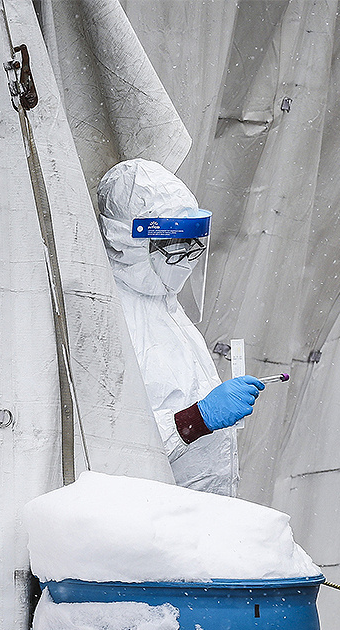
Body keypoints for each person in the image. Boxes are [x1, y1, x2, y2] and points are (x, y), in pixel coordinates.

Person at [97, 158, 265, 496]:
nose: (188, 257)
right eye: (176, 245)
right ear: (125, 242)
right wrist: (196, 420)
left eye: (194, 244)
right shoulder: (109, 320)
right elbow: (109, 449)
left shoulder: (165, 306)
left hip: (193, 518)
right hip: (151, 523)